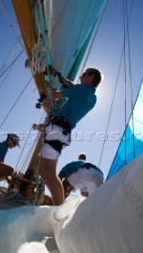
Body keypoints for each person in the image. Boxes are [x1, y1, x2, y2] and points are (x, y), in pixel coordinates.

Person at [39, 67, 102, 205]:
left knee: (48, 172)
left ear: (91, 77)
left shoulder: (80, 89)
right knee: (43, 171)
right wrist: (62, 78)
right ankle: (57, 203)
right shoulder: (92, 97)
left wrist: (45, 85)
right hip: (61, 130)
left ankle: (58, 210)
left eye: (84, 74)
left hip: (58, 129)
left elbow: (55, 95)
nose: (81, 77)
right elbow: (74, 87)